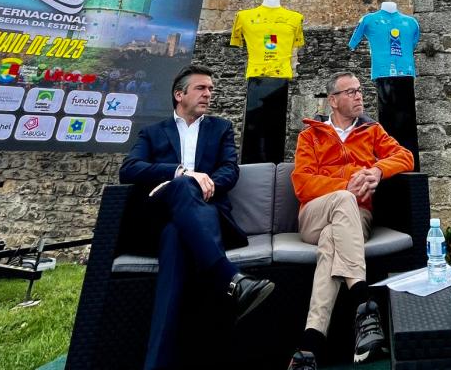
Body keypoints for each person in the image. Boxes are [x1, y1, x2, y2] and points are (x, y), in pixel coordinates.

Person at [120, 64, 274, 370]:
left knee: (176, 237)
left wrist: (206, 183)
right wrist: (181, 174)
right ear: (180, 94)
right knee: (181, 186)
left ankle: (156, 364)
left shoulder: (220, 128)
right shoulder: (152, 132)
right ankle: (230, 279)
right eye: (201, 88)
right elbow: (129, 169)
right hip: (160, 213)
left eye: (211, 89)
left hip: (206, 213)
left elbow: (230, 169)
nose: (209, 94)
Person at [287, 71, 415, 370]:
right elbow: (302, 184)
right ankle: (363, 300)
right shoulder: (311, 135)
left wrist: (378, 171)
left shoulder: (371, 131)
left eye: (360, 90)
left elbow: (405, 156)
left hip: (357, 218)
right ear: (333, 100)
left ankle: (311, 342)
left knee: (333, 240)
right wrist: (346, 183)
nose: (359, 96)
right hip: (314, 214)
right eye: (350, 92)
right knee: (343, 200)